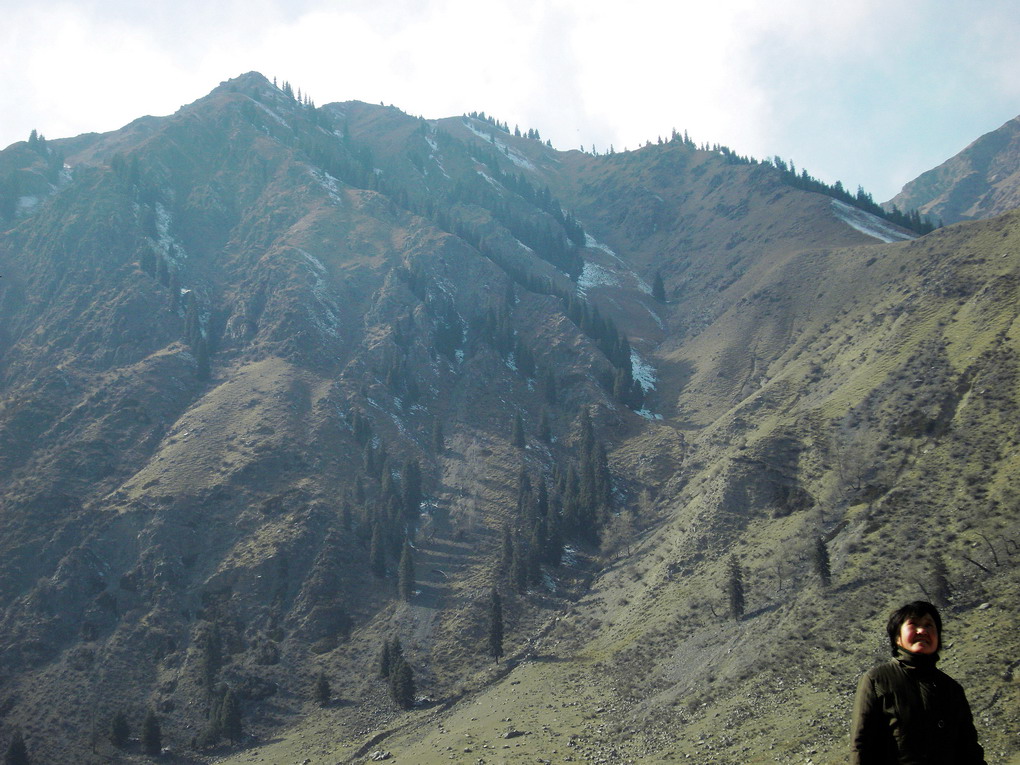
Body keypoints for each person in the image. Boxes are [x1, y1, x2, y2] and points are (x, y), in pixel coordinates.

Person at [851, 600, 985, 764]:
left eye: (929, 625)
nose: (922, 631)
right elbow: (861, 745)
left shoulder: (952, 689)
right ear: (897, 638)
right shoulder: (877, 680)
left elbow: (969, 751)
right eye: (913, 624)